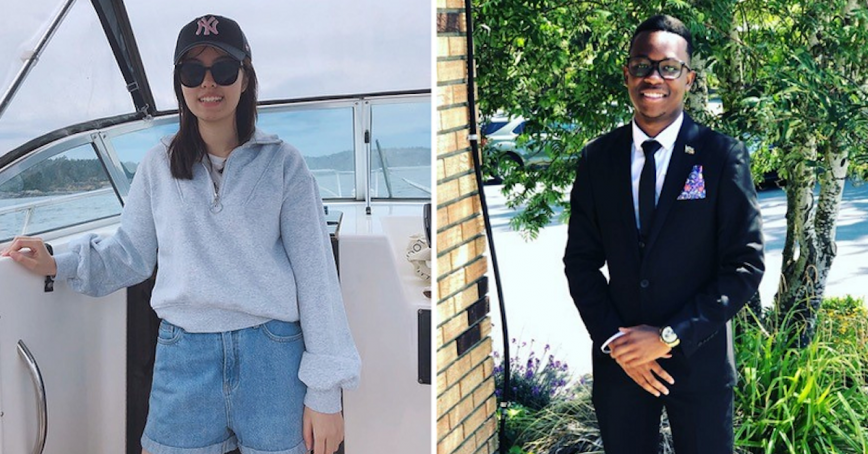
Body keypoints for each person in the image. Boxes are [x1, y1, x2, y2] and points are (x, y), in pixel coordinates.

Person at [1, 14, 359, 454]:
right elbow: (130, 253)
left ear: (245, 78)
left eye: (224, 69)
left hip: (273, 354)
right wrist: (60, 260)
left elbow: (316, 278)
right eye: (193, 71)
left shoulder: (284, 164)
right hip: (183, 354)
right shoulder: (157, 165)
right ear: (181, 84)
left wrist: (325, 392)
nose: (209, 83)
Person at [563, 14, 764, 454]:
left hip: (700, 360)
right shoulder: (598, 159)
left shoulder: (721, 156)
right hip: (622, 365)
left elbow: (744, 268)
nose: (653, 77)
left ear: (688, 78)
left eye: (668, 67)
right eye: (642, 65)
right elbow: (580, 261)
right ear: (627, 74)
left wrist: (669, 335)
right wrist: (617, 342)